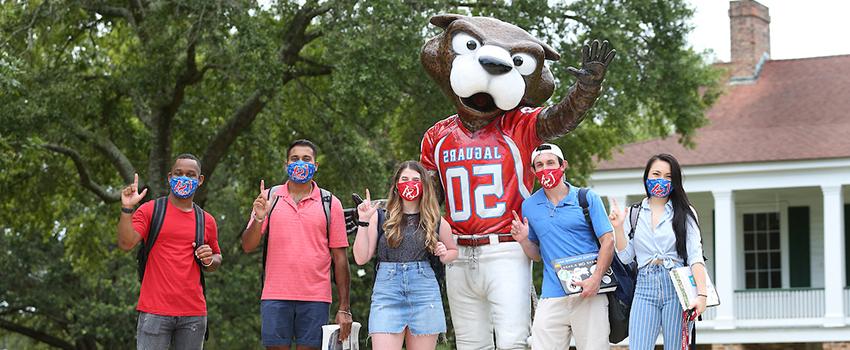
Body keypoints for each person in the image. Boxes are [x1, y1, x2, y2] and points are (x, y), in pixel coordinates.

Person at [240, 139, 352, 350]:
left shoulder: (330, 202)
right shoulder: (269, 197)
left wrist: (344, 307)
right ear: (286, 164)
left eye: (306, 159)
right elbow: (247, 245)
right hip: (275, 295)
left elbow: (340, 258)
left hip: (316, 298)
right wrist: (258, 218)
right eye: (295, 159)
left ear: (315, 166)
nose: (300, 163)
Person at [510, 143, 614, 349]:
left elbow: (608, 241)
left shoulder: (586, 198)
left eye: (550, 163)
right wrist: (523, 240)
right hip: (552, 293)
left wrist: (595, 279)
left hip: (589, 291)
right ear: (533, 171)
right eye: (539, 165)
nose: (545, 169)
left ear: (563, 165)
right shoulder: (529, 206)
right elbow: (537, 255)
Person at [117, 153, 222, 350]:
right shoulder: (151, 210)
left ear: (199, 180)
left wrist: (209, 259)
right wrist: (127, 209)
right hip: (154, 310)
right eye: (178, 173)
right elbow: (125, 243)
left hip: (194, 314)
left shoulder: (206, 220)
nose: (184, 178)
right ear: (169, 177)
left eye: (190, 175)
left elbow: (217, 258)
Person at [351, 160, 458, 350]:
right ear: (396, 186)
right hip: (387, 291)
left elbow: (453, 252)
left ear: (424, 185)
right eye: (405, 179)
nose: (410, 184)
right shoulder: (381, 216)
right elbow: (361, 258)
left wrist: (444, 253)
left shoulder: (435, 220)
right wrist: (363, 221)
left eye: (416, 179)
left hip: (424, 292)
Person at [608, 153, 708, 350]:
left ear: (675, 181)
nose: (661, 180)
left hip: (677, 287)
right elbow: (625, 256)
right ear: (647, 177)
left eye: (668, 176)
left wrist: (702, 296)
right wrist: (618, 227)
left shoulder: (685, 212)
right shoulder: (635, 213)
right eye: (656, 174)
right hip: (644, 288)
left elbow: (696, 256)